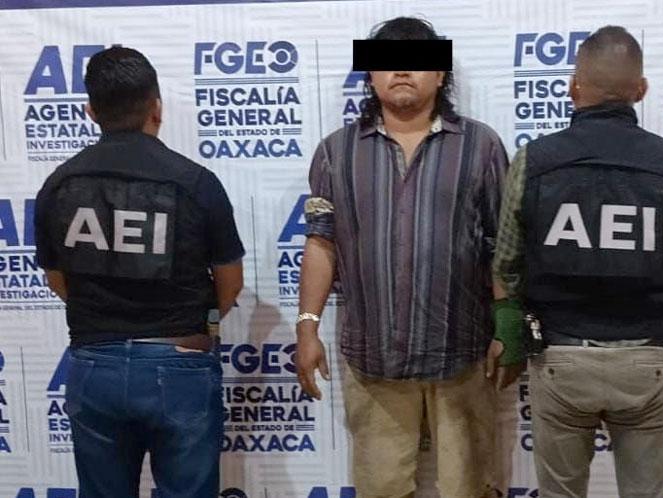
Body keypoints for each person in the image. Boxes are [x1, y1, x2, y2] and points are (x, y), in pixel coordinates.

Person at [490, 26, 663, 498]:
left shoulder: (534, 161)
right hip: (646, 358)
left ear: (573, 88)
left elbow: (506, 265)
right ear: (641, 90)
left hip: (561, 358)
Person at [294, 17, 510, 498]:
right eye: (388, 63)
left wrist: (509, 327)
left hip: (461, 352)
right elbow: (321, 243)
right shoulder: (336, 153)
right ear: (370, 75)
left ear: (440, 74)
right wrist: (307, 326)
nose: (403, 72)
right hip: (374, 356)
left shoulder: (481, 147)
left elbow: (501, 245)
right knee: (381, 490)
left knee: (470, 489)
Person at [34, 46, 244, 498]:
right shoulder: (195, 181)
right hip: (181, 360)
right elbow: (230, 286)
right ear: (157, 108)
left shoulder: (60, 184)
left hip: (95, 366)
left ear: (90, 111)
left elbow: (57, 280)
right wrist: (201, 325)